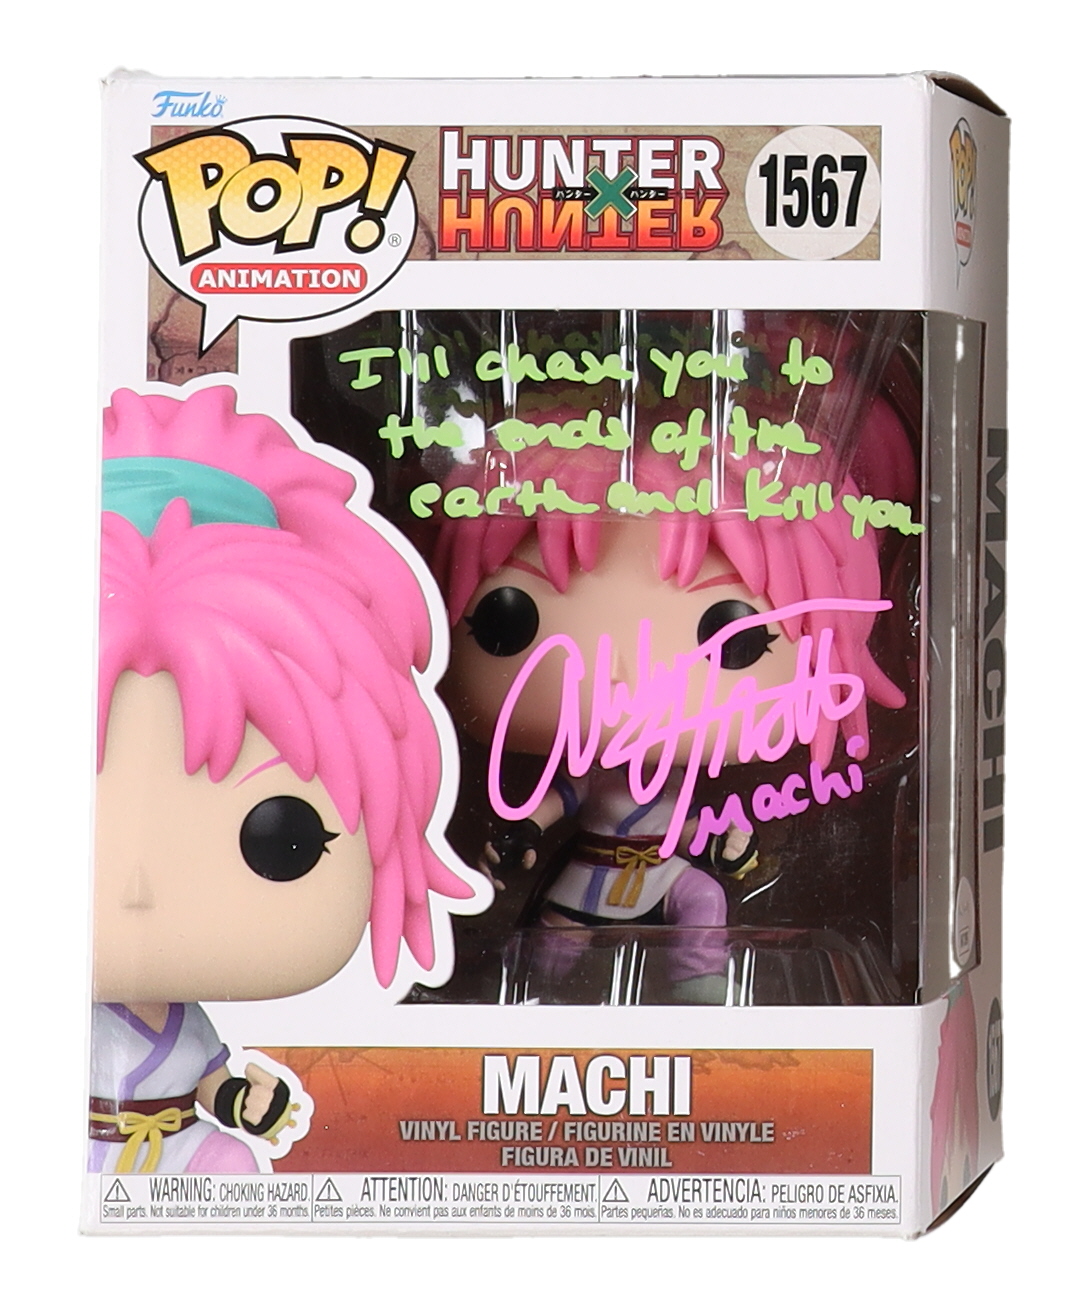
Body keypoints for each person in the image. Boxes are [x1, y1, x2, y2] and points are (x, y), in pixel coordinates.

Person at [90, 385, 472, 1173]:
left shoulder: (187, 1027)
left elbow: (213, 1083)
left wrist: (246, 1103)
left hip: (179, 1152)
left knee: (230, 1167)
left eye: (281, 839)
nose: (134, 887)